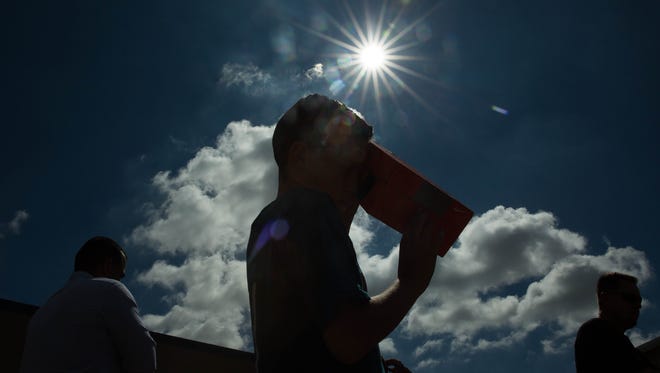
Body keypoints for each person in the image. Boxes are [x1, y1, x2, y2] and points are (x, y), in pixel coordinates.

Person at [246, 94, 443, 372]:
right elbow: (348, 339)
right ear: (301, 157)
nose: (357, 177)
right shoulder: (308, 207)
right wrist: (410, 282)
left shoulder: (273, 222)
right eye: (347, 161)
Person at [21, 236, 156, 373]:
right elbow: (143, 354)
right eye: (120, 274)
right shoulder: (110, 289)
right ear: (107, 266)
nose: (120, 279)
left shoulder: (40, 315)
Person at [574, 272, 659, 373]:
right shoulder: (596, 330)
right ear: (605, 298)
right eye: (631, 298)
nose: (637, 306)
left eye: (639, 302)